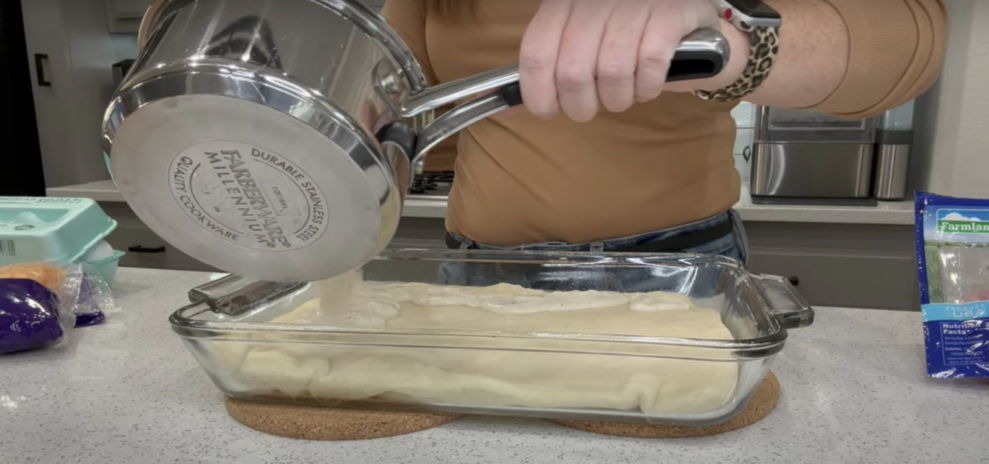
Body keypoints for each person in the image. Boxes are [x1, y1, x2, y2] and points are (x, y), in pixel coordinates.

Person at [381, 0, 948, 265]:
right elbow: (395, 98)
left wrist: (727, 35)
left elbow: (905, 46)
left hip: (675, 267)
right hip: (482, 268)